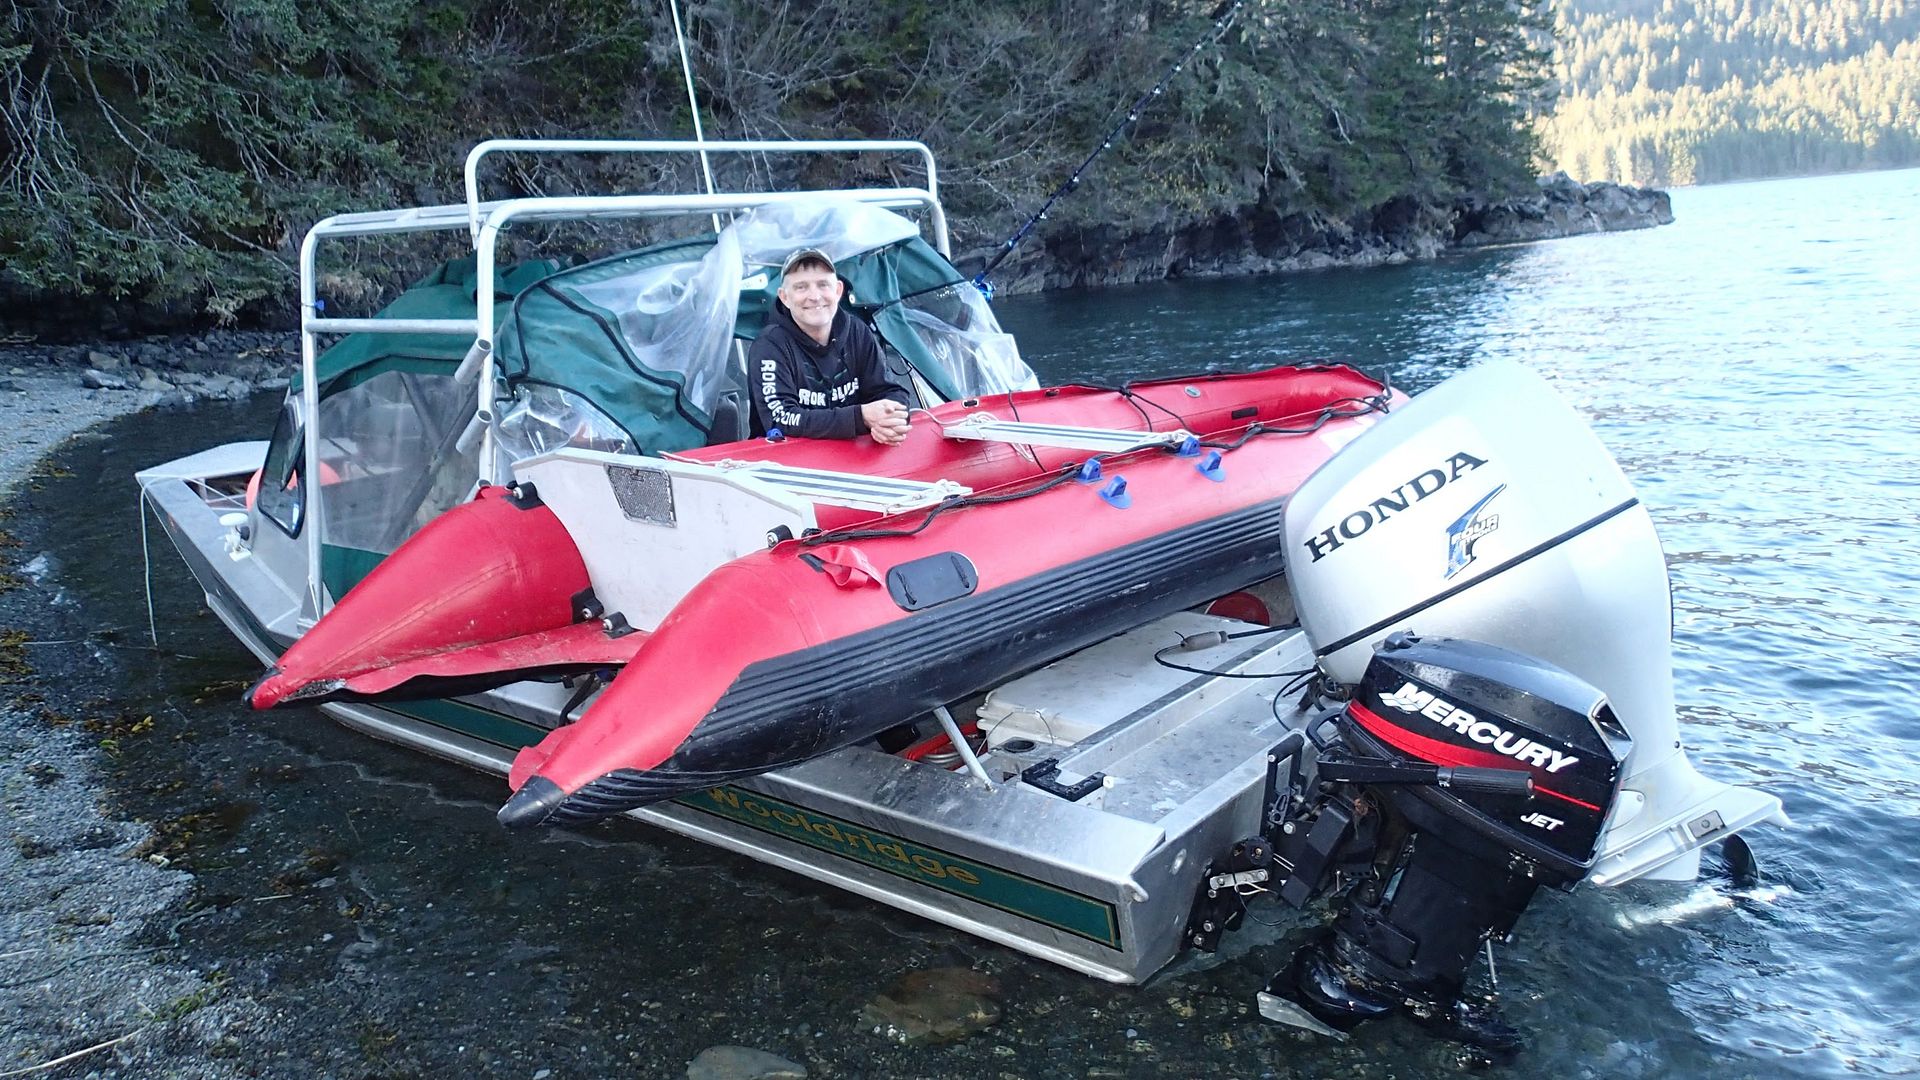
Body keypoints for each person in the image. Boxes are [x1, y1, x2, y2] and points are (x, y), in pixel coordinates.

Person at [750, 248, 913, 445]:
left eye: (823, 285)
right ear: (785, 297)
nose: (814, 296)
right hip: (784, 459)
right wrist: (860, 417)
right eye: (801, 287)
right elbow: (780, 419)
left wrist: (891, 420)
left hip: (854, 453)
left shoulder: (857, 332)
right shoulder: (769, 345)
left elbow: (891, 391)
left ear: (838, 291)